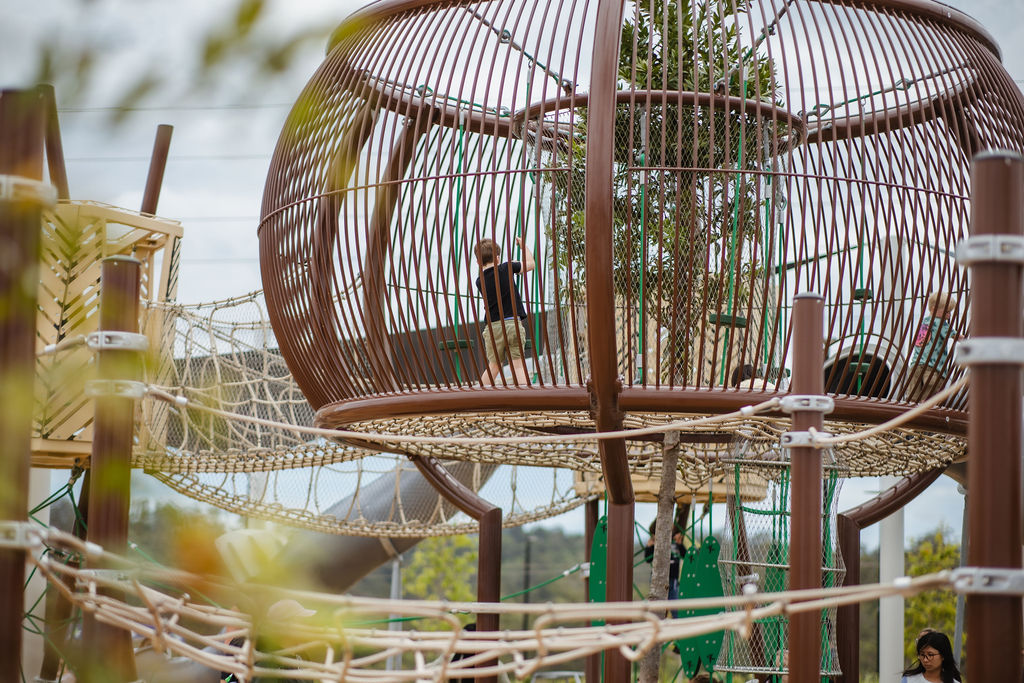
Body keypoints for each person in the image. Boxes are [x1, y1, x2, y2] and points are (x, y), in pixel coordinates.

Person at [474, 236, 534, 385]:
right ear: (498, 257)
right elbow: (531, 264)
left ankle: (478, 399)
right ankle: (528, 403)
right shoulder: (507, 267)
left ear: (478, 262)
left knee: (494, 366)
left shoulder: (479, 281)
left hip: (493, 328)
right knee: (518, 365)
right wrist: (523, 246)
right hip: (512, 323)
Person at [906, 292, 960, 402]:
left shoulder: (924, 321)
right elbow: (956, 336)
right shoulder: (941, 323)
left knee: (912, 399)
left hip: (915, 365)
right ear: (934, 308)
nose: (949, 315)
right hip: (933, 369)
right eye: (947, 311)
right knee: (929, 400)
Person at [643, 519, 685, 605]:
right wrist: (649, 546)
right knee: (658, 605)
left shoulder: (675, 541)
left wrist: (680, 544)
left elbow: (685, 555)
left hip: (673, 579)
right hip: (659, 578)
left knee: (675, 607)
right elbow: (648, 559)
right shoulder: (656, 542)